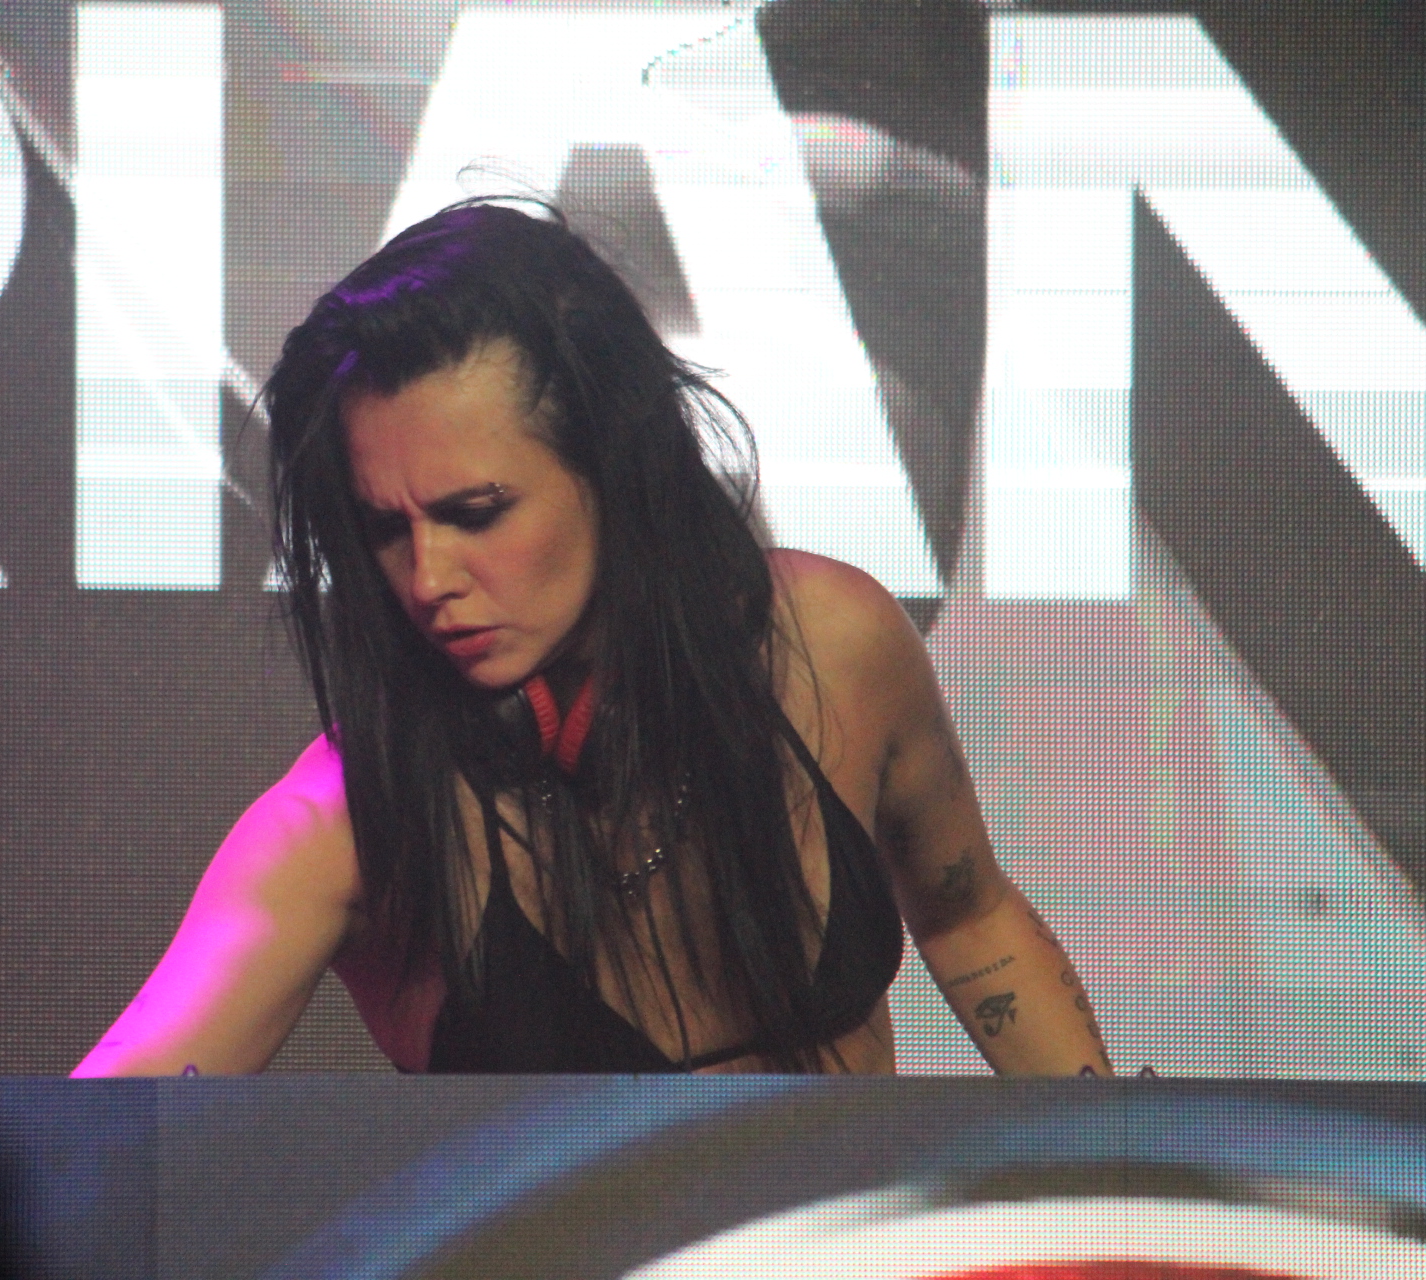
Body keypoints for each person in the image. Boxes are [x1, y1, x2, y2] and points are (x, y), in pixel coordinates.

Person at [74, 201, 1112, 1076]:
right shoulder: (347, 820)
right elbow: (100, 1133)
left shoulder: (835, 647)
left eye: (477, 512)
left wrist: (1136, 1186)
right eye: (387, 529)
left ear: (617, 469)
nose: (428, 580)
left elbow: (970, 921)